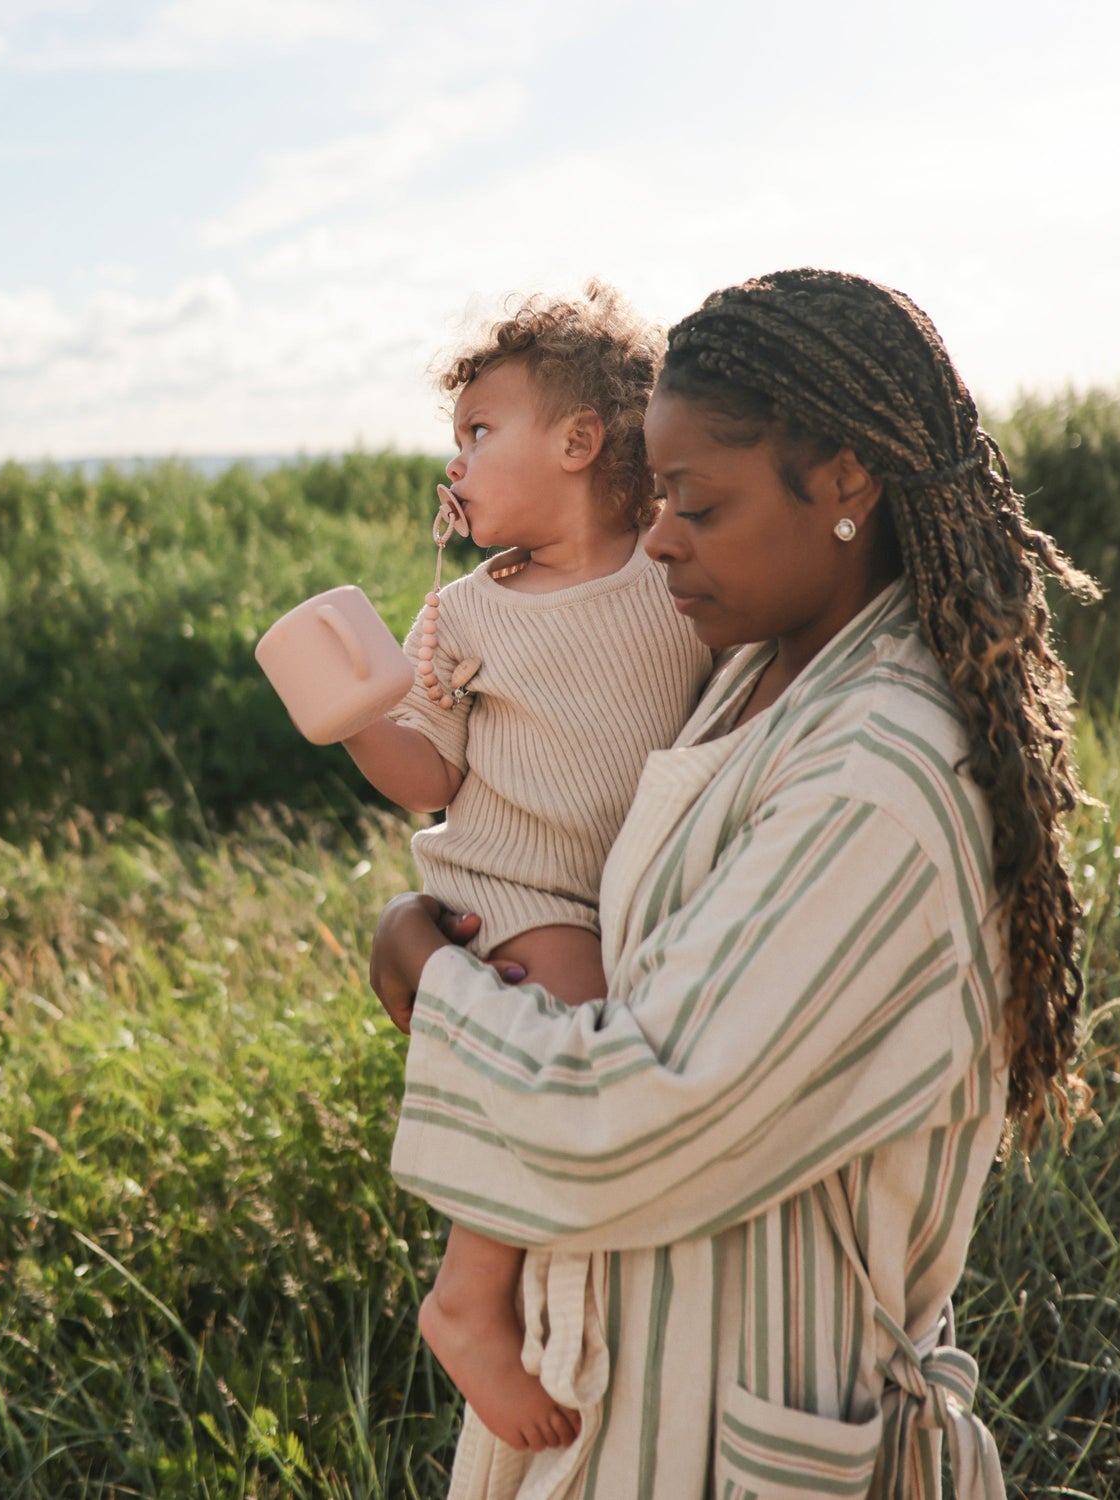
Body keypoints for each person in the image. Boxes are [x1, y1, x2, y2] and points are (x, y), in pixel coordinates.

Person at [370, 268, 1098, 1499]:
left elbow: (642, 1111)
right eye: (655, 499)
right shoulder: (754, 676)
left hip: (743, 1415)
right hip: (633, 1378)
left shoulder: (878, 773)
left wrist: (427, 973)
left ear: (847, 484)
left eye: (696, 504)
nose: (656, 536)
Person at [340, 284, 713, 1449]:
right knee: (572, 1011)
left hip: (628, 885)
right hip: (513, 890)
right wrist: (356, 714)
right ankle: (471, 1296)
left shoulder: (677, 577)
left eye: (476, 434)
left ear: (578, 442)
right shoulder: (465, 613)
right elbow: (427, 775)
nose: (452, 464)